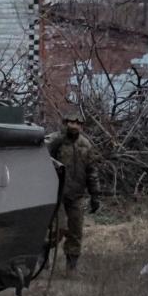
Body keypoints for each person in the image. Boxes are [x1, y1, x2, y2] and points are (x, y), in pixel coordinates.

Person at [47, 108, 102, 273]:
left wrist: (95, 196)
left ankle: (71, 268)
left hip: (77, 195)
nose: (74, 126)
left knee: (76, 231)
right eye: (71, 122)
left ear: (82, 126)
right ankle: (42, 257)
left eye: (78, 123)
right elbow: (42, 164)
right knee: (57, 229)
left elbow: (92, 172)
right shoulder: (55, 141)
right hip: (57, 194)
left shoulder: (86, 145)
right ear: (65, 123)